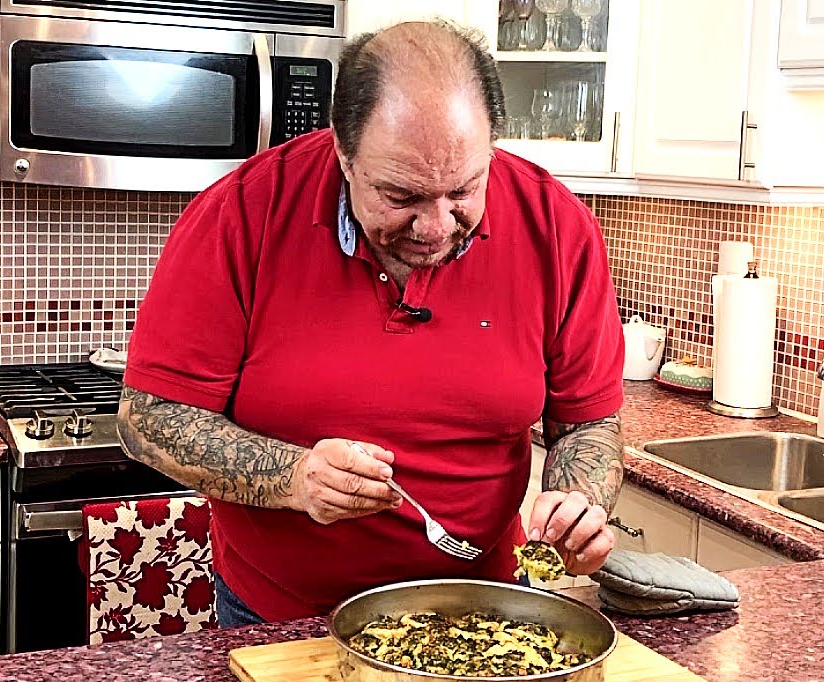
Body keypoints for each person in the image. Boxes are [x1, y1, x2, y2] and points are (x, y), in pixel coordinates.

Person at [117, 21, 625, 628]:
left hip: (484, 606)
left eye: (463, 189)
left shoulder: (557, 227)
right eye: (402, 196)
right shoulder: (240, 215)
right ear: (343, 153)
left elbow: (588, 422)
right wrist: (294, 478)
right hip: (279, 617)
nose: (436, 228)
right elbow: (150, 420)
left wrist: (579, 503)